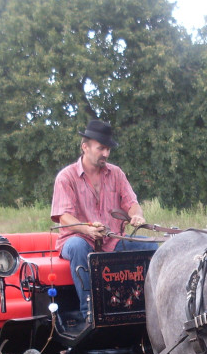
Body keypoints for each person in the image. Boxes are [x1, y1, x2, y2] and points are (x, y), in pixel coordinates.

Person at [50, 119, 156, 321]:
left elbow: (131, 202)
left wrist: (137, 215)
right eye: (101, 149)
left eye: (108, 149)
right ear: (85, 147)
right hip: (77, 239)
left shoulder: (116, 173)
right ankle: (90, 313)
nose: (105, 154)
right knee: (79, 247)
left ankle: (148, 308)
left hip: (112, 240)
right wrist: (87, 229)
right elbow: (64, 217)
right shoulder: (66, 177)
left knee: (151, 248)